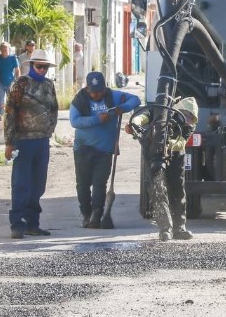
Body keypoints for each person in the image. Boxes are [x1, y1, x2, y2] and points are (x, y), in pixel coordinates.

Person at [70, 71, 141, 229]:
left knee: (99, 183)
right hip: (83, 148)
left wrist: (122, 108)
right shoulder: (79, 100)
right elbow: (74, 121)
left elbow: (136, 100)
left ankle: (97, 214)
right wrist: (97, 119)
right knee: (82, 184)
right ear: (87, 88)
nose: (97, 95)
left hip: (105, 150)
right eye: (94, 92)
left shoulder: (112, 96)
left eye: (100, 91)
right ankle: (86, 214)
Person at [4, 48, 60, 239]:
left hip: (42, 141)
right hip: (23, 141)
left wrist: (50, 129)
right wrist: (9, 142)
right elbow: (10, 112)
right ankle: (17, 223)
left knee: (38, 184)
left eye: (45, 67)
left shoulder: (48, 85)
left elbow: (54, 108)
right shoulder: (21, 84)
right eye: (39, 66)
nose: (42, 70)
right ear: (32, 65)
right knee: (21, 183)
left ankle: (32, 223)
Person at [127, 96, 198, 241]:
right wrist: (134, 123)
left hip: (176, 157)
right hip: (153, 154)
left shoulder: (189, 125)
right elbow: (142, 117)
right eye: (187, 115)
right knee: (158, 189)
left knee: (177, 189)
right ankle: (165, 229)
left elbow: (182, 143)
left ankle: (179, 228)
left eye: (192, 117)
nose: (189, 119)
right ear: (180, 110)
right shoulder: (159, 111)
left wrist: (168, 144)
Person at [0, 42, 21, 117]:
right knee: (1, 101)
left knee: (11, 100)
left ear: (9, 49)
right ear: (0, 49)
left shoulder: (13, 58)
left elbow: (17, 70)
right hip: (1, 83)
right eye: (3, 48)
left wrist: (15, 81)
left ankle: (11, 116)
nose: (5, 49)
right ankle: (1, 116)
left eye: (6, 48)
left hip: (11, 82)